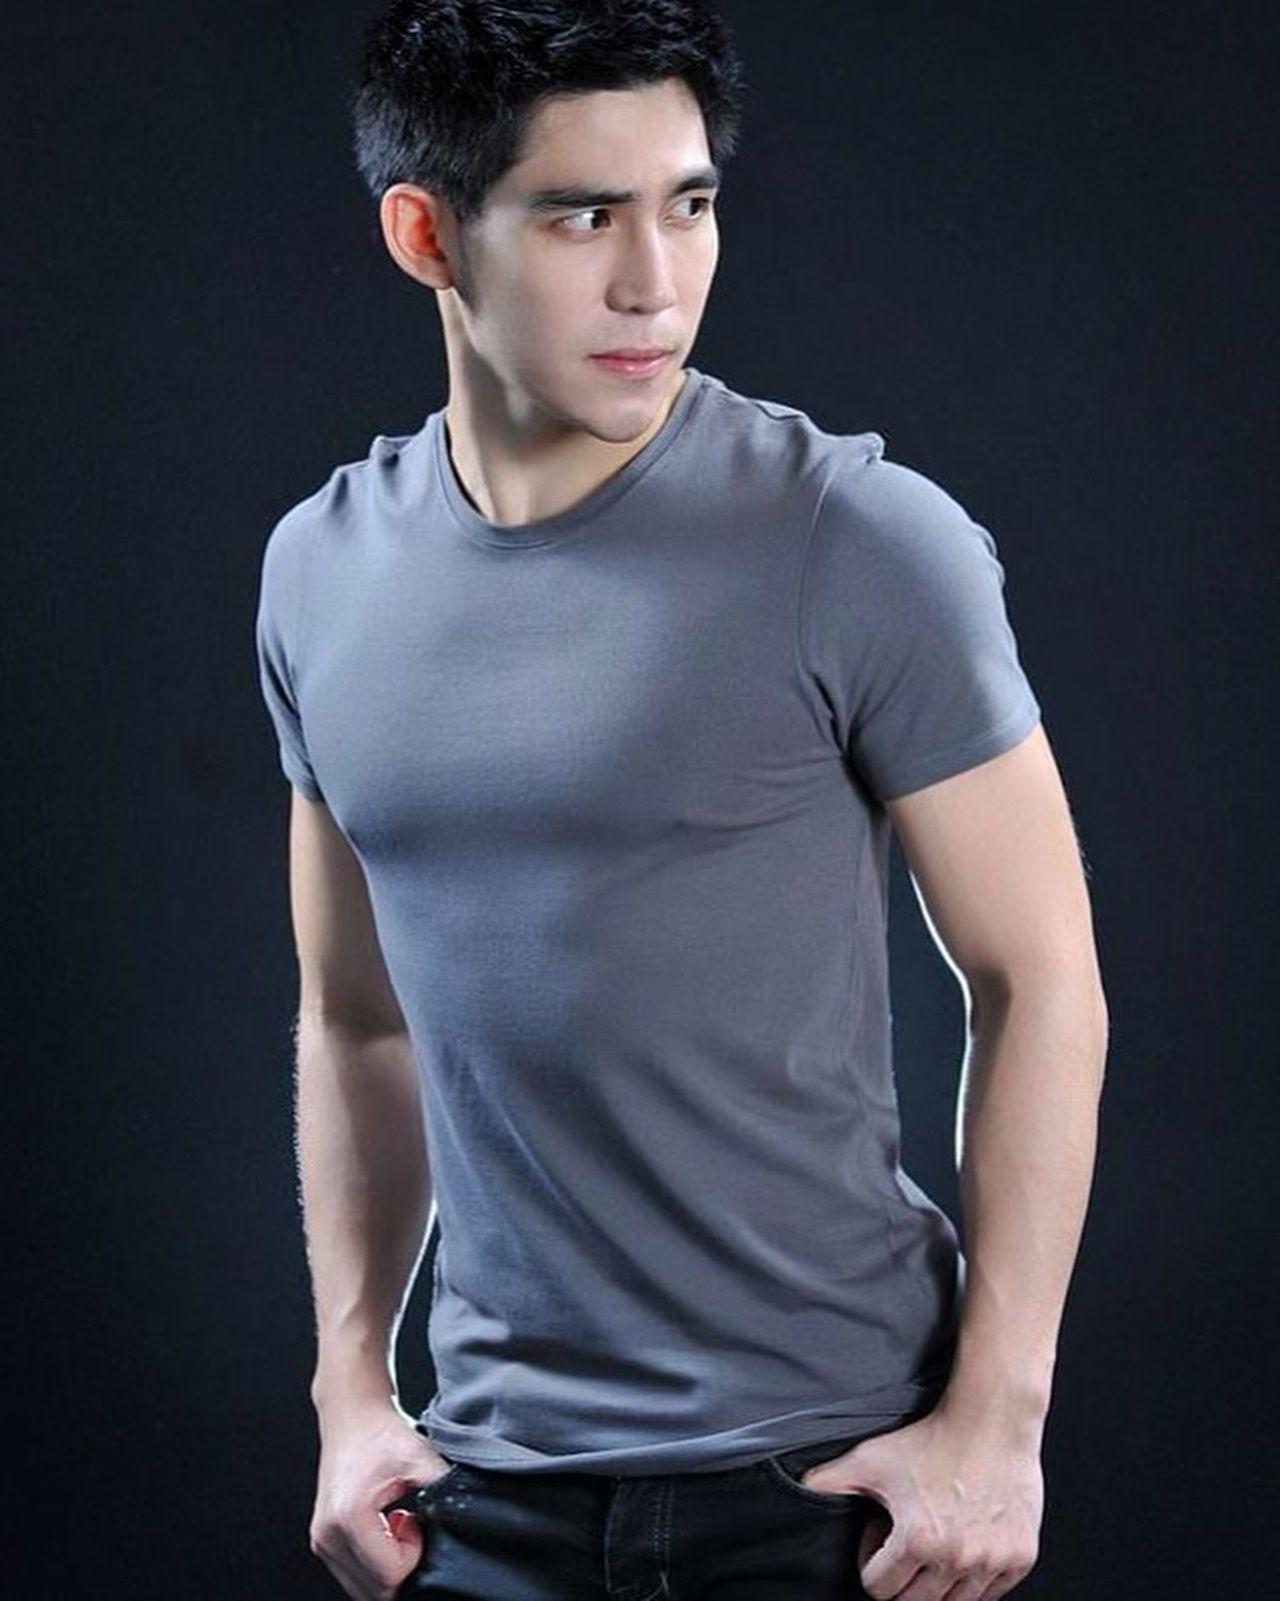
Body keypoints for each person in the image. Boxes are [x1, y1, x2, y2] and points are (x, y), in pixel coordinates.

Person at [253, 3, 1108, 1598]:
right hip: (481, 1491)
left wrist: (998, 1423)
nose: (657, 281)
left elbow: (1041, 973)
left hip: (829, 1481)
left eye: (690, 203)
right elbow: (354, 1017)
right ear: (428, 235)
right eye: (584, 217)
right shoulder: (319, 570)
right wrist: (351, 1392)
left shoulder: (860, 539)